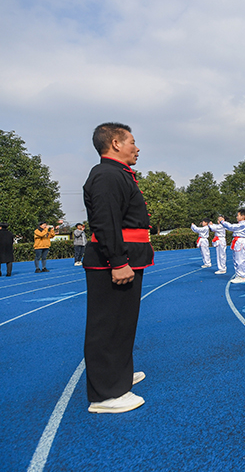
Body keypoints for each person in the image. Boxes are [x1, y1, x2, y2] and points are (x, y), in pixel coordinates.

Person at [83, 122, 154, 413]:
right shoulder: (107, 175)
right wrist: (119, 261)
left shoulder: (118, 174)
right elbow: (106, 221)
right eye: (132, 142)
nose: (137, 148)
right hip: (115, 262)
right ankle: (105, 394)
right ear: (115, 143)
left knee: (123, 324)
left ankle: (118, 376)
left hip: (127, 258)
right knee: (108, 325)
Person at [219, 209, 245, 283]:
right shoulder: (239, 224)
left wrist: (223, 222)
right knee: (236, 259)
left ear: (243, 216)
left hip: (240, 242)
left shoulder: (242, 224)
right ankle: (238, 275)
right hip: (237, 242)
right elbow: (231, 227)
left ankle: (242, 276)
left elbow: (231, 227)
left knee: (240, 260)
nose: (236, 217)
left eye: (238, 215)